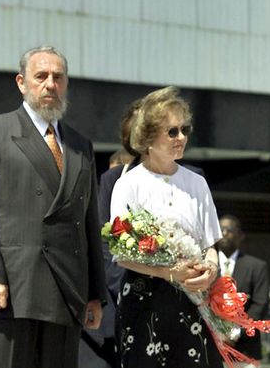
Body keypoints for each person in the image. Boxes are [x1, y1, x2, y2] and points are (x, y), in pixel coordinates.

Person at [0, 46, 107, 368]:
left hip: (68, 290)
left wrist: (94, 292)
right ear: (21, 82)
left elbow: (88, 222)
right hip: (14, 287)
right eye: (41, 76)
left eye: (58, 77)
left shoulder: (81, 145)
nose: (50, 84)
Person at [109, 86, 223, 368]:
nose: (181, 137)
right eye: (172, 132)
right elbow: (121, 253)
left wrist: (210, 270)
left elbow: (211, 245)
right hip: (144, 302)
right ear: (147, 137)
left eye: (184, 129)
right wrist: (167, 272)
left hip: (194, 302)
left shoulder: (197, 183)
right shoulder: (128, 184)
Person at [217, 215, 269, 365]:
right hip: (212, 348)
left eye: (229, 230)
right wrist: (217, 332)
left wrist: (235, 332)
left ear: (240, 236)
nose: (224, 233)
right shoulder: (205, 266)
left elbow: (260, 304)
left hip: (246, 350)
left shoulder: (256, 267)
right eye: (221, 230)